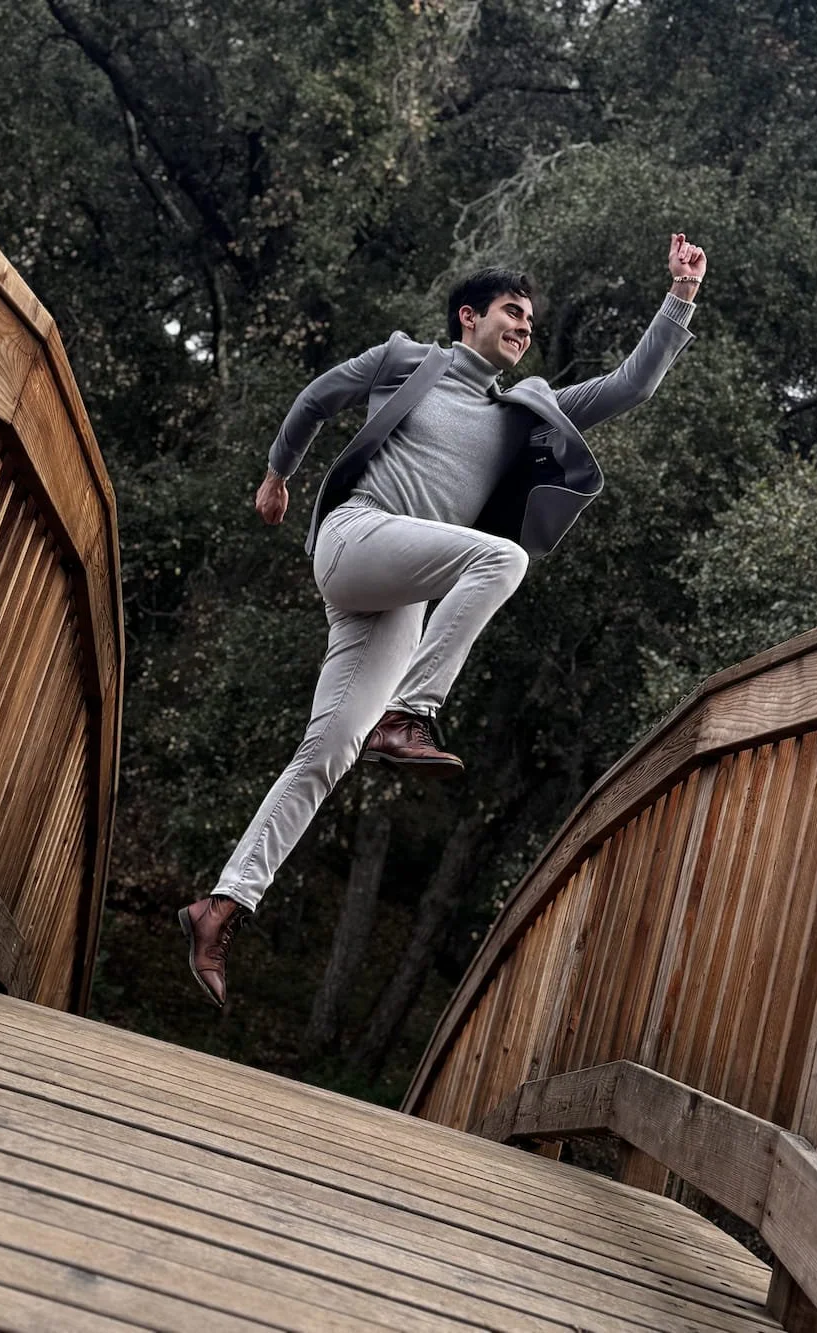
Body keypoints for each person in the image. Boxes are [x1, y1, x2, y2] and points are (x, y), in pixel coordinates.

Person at [179, 232, 707, 1008]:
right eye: (512, 313)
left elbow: (631, 386)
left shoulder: (530, 408)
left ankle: (220, 905)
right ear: (469, 316)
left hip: (398, 594)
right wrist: (277, 475)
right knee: (500, 559)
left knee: (328, 750)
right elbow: (318, 396)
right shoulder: (408, 361)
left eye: (530, 320)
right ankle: (413, 711)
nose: (524, 328)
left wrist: (681, 296)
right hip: (354, 536)